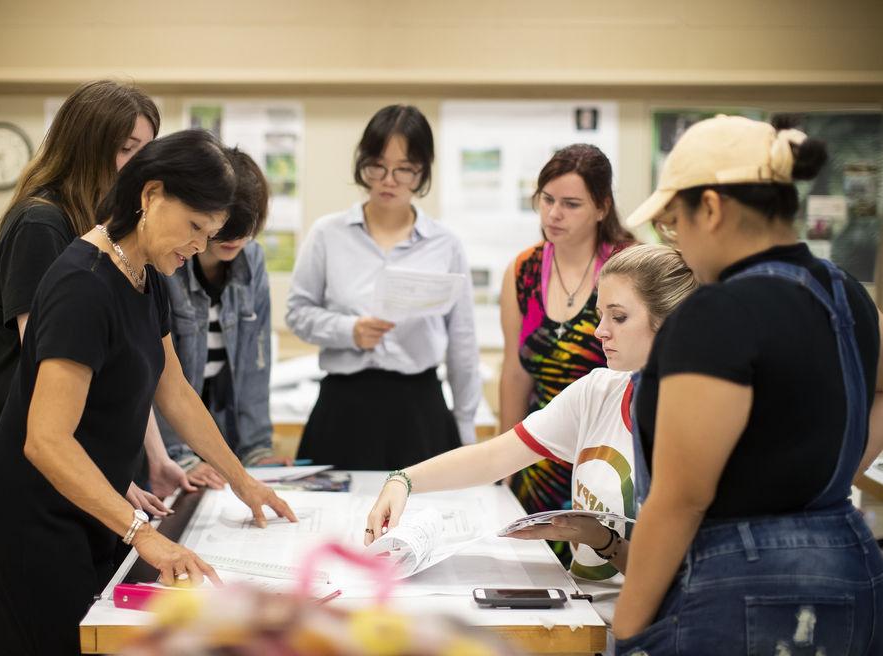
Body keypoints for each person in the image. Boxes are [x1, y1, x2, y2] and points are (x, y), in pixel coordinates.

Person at [0, 130, 297, 656]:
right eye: (194, 227)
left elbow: (175, 392)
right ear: (150, 195)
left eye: (207, 234)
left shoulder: (146, 274)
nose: (197, 246)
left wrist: (244, 482)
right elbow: (46, 441)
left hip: (94, 503)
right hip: (35, 511)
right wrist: (141, 533)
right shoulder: (84, 283)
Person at [613, 115, 883, 654]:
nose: (676, 243)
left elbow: (681, 499)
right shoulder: (846, 294)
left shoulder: (718, 311)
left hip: (743, 586)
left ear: (710, 208)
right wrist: (823, 480)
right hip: (853, 566)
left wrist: (628, 628)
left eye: (674, 223)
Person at [366, 244, 697, 626]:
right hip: (584, 618)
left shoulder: (696, 425)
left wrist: (601, 539)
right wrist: (403, 481)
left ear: (671, 323)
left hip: (646, 633)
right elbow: (495, 457)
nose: (599, 331)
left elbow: (677, 579)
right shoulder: (600, 390)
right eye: (599, 314)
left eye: (618, 317)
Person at [0, 79, 190, 514]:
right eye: (125, 148)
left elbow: (128, 365)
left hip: (98, 467)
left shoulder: (111, 230)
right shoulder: (41, 226)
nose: (139, 166)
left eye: (145, 150)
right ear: (86, 145)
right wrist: (106, 474)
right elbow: (47, 367)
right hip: (47, 477)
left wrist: (155, 456)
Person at [286, 105, 481, 470]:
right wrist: (349, 331)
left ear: (421, 172)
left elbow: (463, 341)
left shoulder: (445, 243)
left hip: (419, 406)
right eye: (377, 165)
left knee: (425, 518)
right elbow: (298, 313)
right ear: (363, 164)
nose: (389, 180)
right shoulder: (328, 234)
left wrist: (466, 425)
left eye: (404, 169)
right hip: (345, 405)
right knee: (334, 519)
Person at [500, 144, 634, 564]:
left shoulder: (629, 264)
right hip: (539, 454)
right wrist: (506, 467)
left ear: (601, 207)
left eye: (571, 204)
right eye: (547, 199)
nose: (553, 214)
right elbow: (516, 371)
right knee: (533, 580)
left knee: (600, 581)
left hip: (609, 456)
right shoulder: (523, 268)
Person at [157, 147, 290, 483]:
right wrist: (181, 458)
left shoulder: (252, 259)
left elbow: (255, 364)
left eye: (249, 229)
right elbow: (160, 379)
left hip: (217, 435)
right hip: (167, 446)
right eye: (228, 228)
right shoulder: (169, 265)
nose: (237, 240)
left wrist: (257, 451)